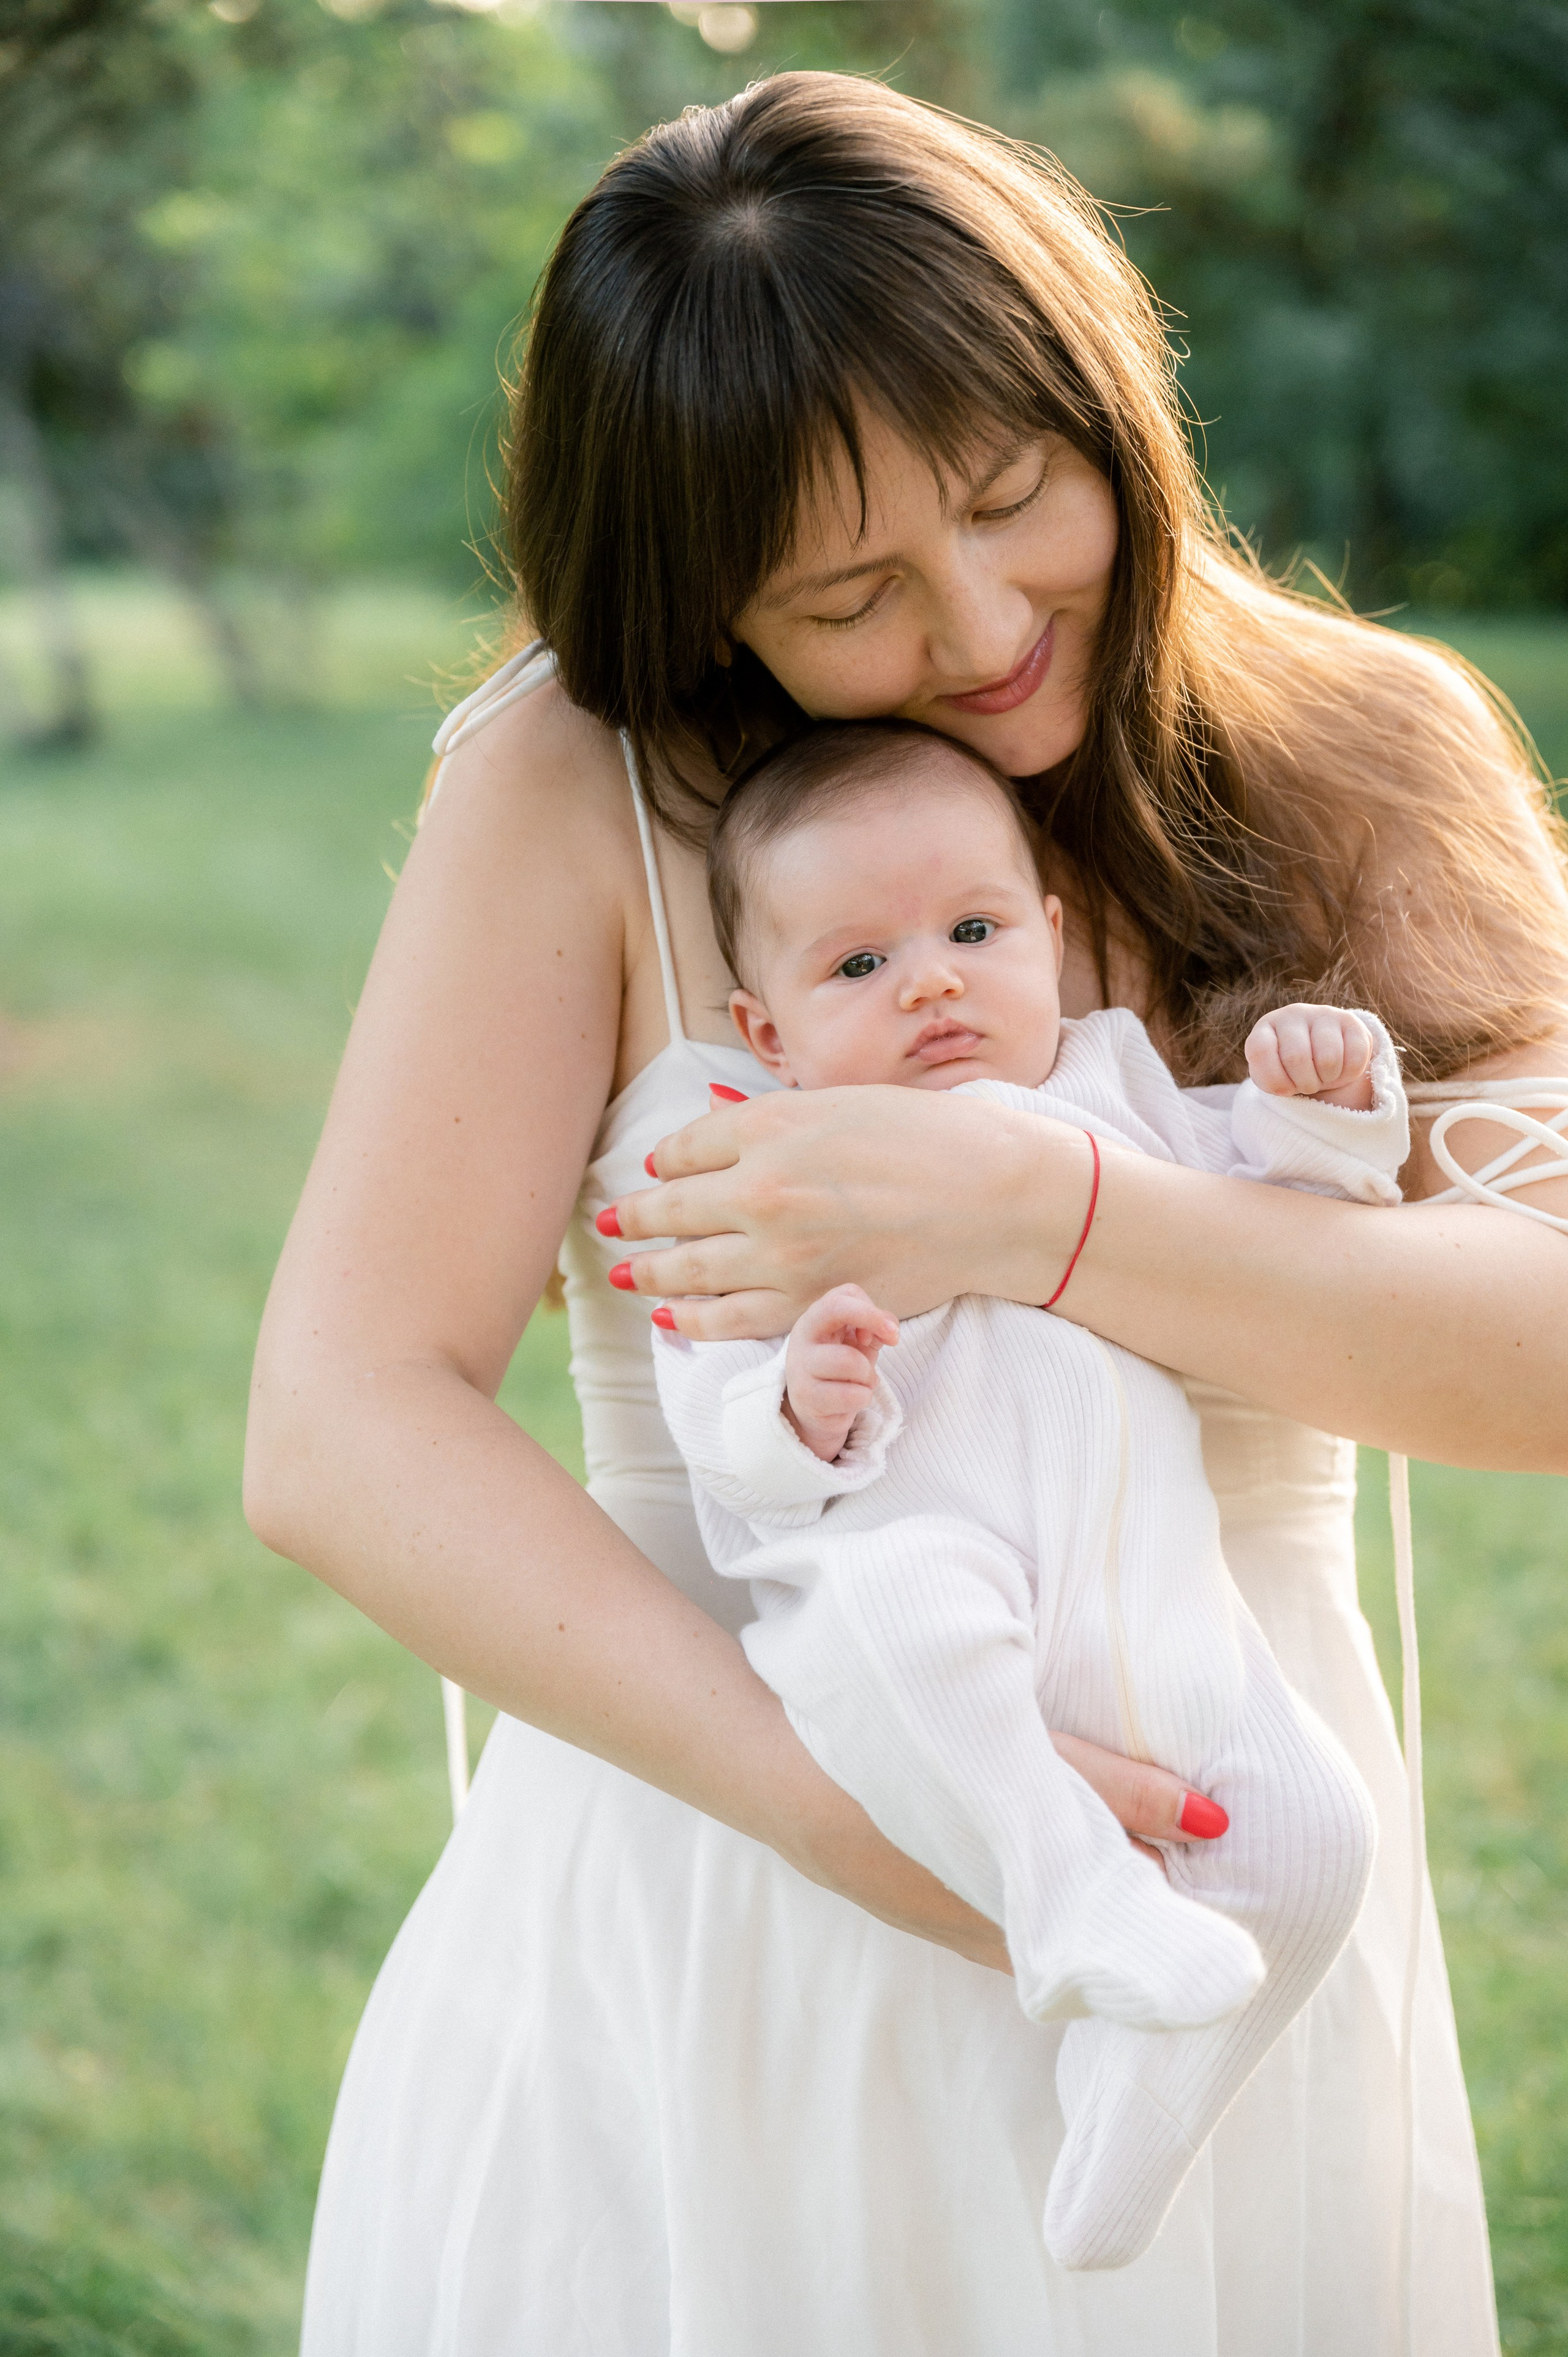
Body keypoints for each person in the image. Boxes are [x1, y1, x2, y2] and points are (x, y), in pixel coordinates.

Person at [244, 70, 1568, 2357]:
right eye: (849, 593)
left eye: (1010, 492)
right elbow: (344, 1420)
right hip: (728, 1894)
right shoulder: (588, 785)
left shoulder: (1370, 756)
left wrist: (1029, 1208)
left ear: (1106, 396)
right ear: (705, 603)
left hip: (1233, 1898)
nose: (977, 624)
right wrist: (908, 1824)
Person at [649, 716, 1404, 2271]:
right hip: (898, 1595)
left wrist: (1321, 1115)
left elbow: (1277, 1216)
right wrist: (801, 1404)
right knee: (908, 1599)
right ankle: (1065, 1901)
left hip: (1149, 1612)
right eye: (855, 965)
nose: (928, 978)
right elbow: (712, 1417)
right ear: (764, 1026)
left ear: (1049, 940)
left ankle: (1130, 2117)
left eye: (972, 931)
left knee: (1321, 1833)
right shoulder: (764, 1159)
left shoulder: (1106, 1086)